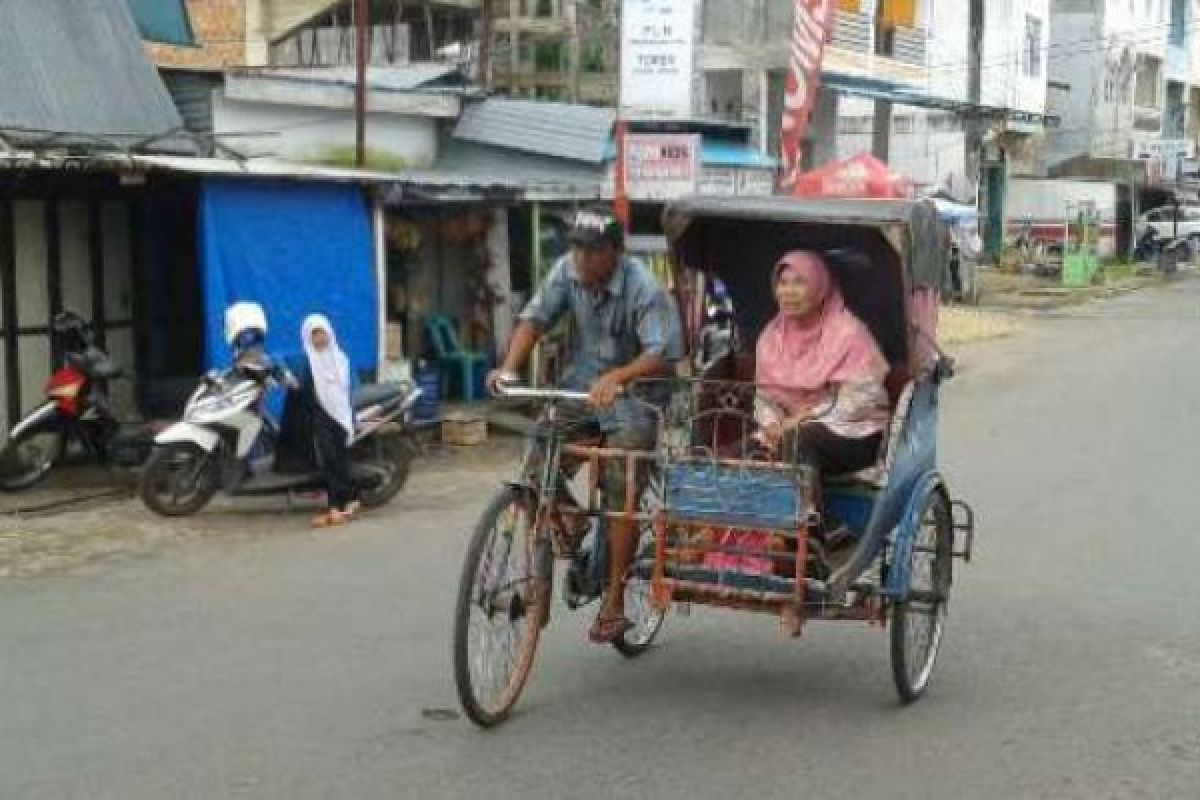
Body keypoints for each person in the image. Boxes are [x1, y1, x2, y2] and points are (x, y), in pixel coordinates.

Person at [488, 208, 682, 644]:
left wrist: (619, 377)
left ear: (614, 252)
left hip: (637, 397)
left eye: (592, 250)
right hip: (581, 390)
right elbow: (534, 320)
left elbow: (662, 352)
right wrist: (508, 369)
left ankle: (614, 604)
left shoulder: (644, 288)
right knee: (537, 454)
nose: (581, 258)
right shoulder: (565, 273)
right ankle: (571, 518)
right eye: (576, 248)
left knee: (621, 491)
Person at [754, 250, 890, 541]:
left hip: (852, 433)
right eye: (783, 282)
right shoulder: (771, 336)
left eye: (799, 282)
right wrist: (772, 424)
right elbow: (763, 395)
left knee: (800, 440)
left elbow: (858, 399)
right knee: (738, 452)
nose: (788, 292)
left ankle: (817, 531)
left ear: (818, 287)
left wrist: (802, 420)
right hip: (788, 430)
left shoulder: (849, 333)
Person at [297, 314, 360, 528]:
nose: (319, 338)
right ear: (308, 337)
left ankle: (348, 502)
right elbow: (304, 390)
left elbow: (346, 390)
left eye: (321, 332)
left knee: (341, 459)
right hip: (321, 417)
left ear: (329, 332)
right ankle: (336, 506)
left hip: (341, 416)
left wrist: (350, 416)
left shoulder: (340, 358)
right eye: (314, 334)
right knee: (329, 460)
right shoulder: (308, 362)